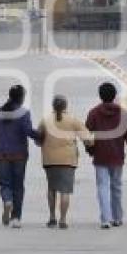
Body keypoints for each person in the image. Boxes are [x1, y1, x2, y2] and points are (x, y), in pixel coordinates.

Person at [85, 82, 127, 229]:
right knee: (116, 186)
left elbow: (86, 135)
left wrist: (91, 150)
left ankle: (105, 219)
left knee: (102, 187)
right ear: (114, 96)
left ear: (100, 96)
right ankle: (117, 218)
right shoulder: (123, 114)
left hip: (100, 157)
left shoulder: (93, 113)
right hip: (117, 157)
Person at [0, 85, 41, 228]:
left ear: (10, 96)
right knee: (18, 186)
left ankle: (7, 201)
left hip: (2, 154)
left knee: (5, 184)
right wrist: (42, 136)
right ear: (21, 98)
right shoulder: (23, 112)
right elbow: (28, 131)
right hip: (19, 155)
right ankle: (16, 218)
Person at [37, 95, 92, 229]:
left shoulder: (45, 120)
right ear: (66, 106)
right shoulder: (73, 120)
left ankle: (51, 217)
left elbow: (38, 140)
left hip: (49, 159)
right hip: (68, 160)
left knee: (51, 188)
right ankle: (63, 219)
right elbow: (89, 140)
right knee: (65, 191)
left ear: (53, 106)